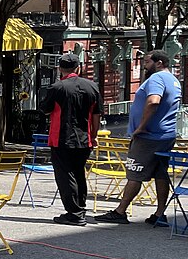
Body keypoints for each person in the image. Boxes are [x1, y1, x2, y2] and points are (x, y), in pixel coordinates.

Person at [97, 49, 181, 226]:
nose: (144, 65)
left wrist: (140, 128)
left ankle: (120, 211)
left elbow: (153, 102)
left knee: (134, 173)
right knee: (160, 174)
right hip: (166, 135)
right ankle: (160, 214)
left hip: (149, 136)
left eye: (147, 61)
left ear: (159, 63)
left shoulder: (157, 79)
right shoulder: (174, 80)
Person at [38, 53, 101, 225]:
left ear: (60, 69)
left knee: (65, 176)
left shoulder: (57, 88)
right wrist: (94, 136)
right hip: (85, 138)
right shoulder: (92, 86)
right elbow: (97, 114)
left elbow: (45, 109)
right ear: (78, 68)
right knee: (79, 173)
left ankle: (74, 213)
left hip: (61, 137)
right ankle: (80, 207)